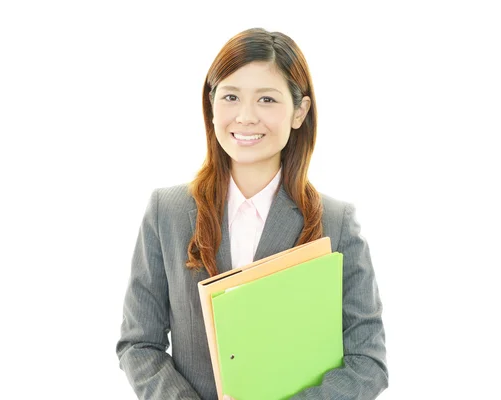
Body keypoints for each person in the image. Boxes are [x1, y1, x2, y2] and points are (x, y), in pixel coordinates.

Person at [116, 27, 388, 400]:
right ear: (211, 105)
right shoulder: (168, 212)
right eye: (230, 97)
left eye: (267, 100)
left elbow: (367, 360)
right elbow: (139, 345)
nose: (245, 116)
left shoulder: (336, 223)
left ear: (300, 111)